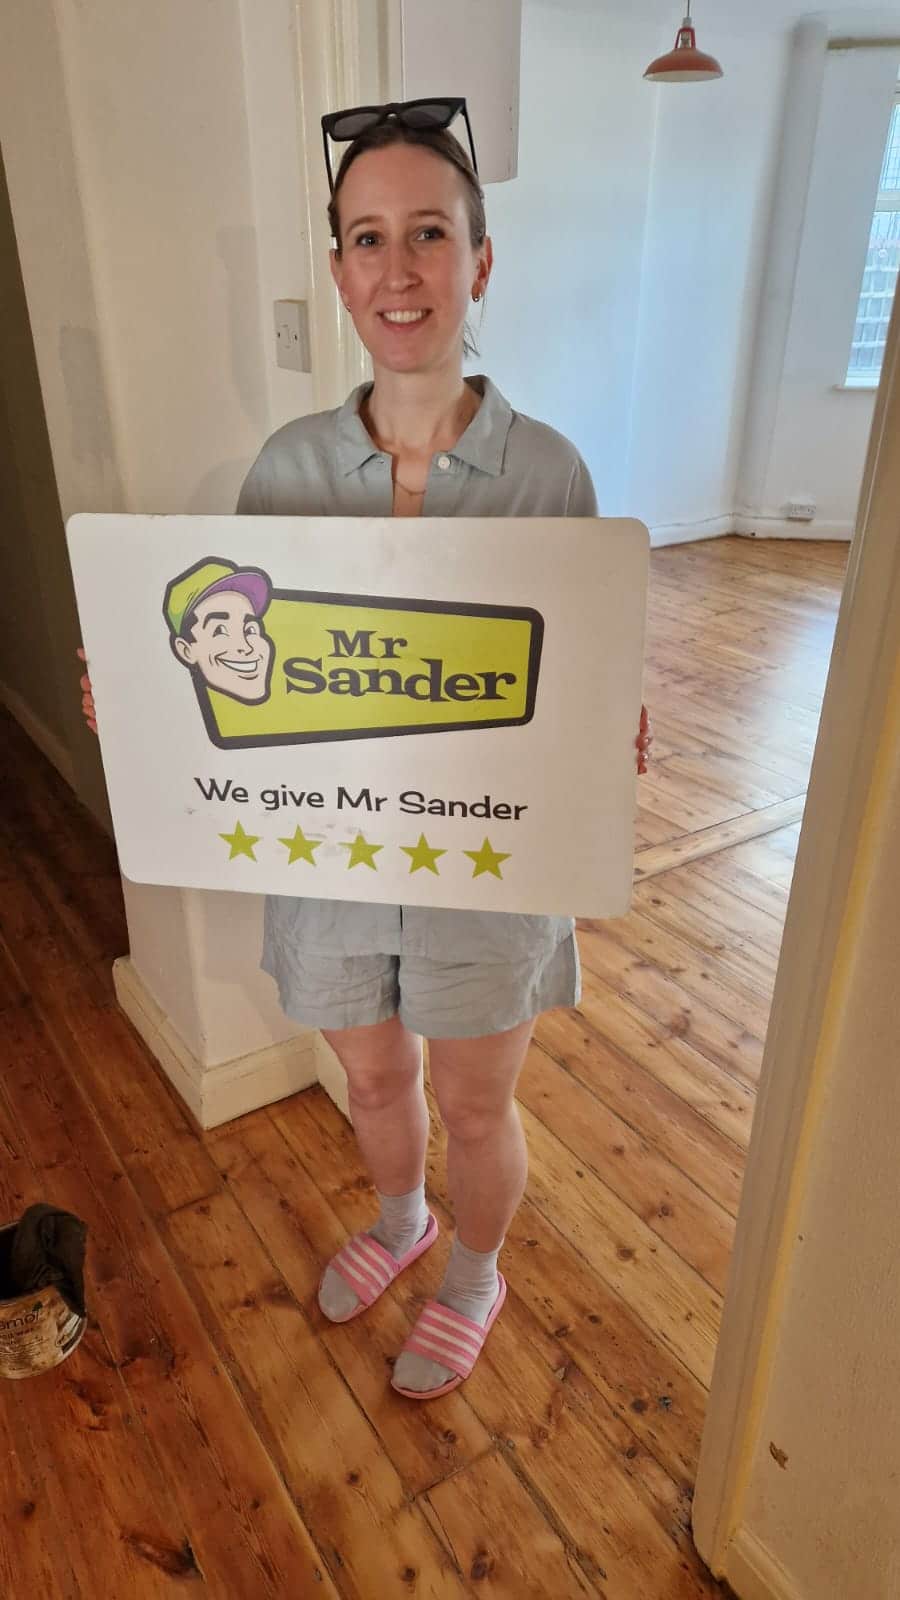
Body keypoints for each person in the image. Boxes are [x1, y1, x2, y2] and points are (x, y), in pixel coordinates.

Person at [80, 100, 652, 1401]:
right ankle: (403, 1221)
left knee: (476, 1103)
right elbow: (232, 663)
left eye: (431, 233)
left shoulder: (549, 473)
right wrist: (146, 697)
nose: (400, 268)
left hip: (487, 870)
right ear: (339, 270)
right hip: (327, 857)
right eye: (369, 237)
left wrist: (608, 728)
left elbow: (578, 678)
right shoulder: (287, 466)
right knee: (376, 1075)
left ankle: (474, 1274)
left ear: (480, 261)